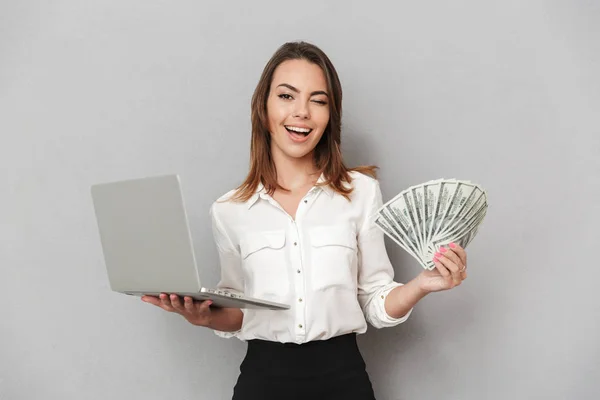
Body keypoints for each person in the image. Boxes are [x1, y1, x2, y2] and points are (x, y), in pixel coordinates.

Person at [141, 41, 469, 400]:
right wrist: (202, 317)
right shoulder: (229, 209)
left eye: (318, 100)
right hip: (262, 381)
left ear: (330, 115)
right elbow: (238, 312)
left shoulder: (360, 192)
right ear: (263, 108)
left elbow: (375, 301)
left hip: (343, 380)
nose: (302, 112)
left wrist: (422, 284)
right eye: (286, 96)